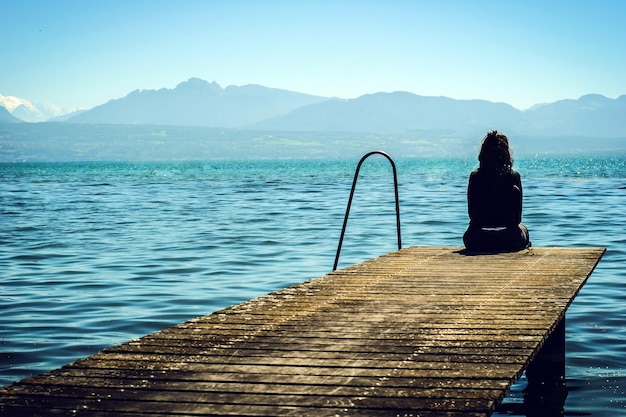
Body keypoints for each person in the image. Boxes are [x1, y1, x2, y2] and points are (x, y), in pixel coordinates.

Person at [463, 130, 530, 252]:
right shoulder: (514, 177)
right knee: (524, 229)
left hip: (477, 239)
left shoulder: (475, 177)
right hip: (508, 239)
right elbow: (518, 218)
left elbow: (471, 214)